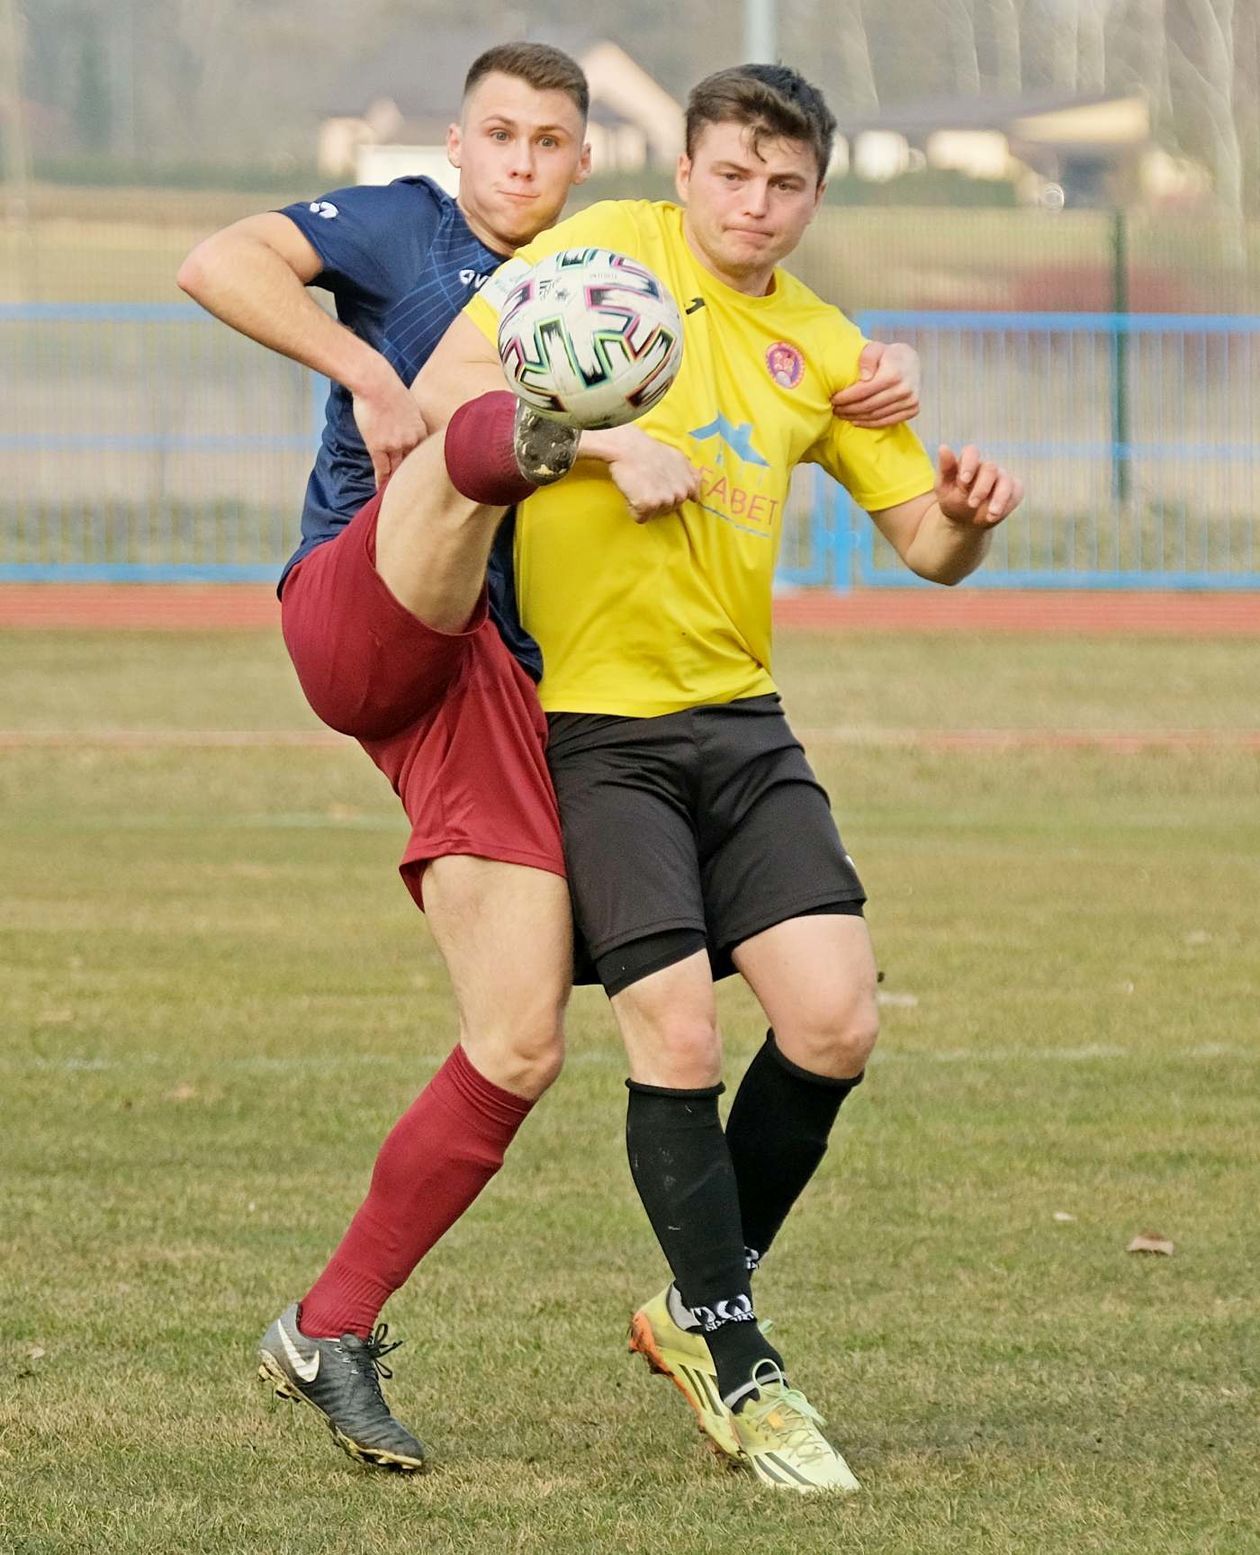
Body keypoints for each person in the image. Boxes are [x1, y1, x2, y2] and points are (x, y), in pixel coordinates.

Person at [177, 42, 923, 1475]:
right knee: (463, 441)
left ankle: (325, 1328)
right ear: (458, 144)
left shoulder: (617, 275)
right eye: (499, 137)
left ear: (590, 162)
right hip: (370, 598)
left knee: (519, 1040)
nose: (521, 164)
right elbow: (217, 265)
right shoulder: (407, 228)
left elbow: (794, 371)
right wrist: (369, 374)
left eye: (552, 141)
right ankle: (490, 440)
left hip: (485, 687)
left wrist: (884, 374)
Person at [420, 62, 1024, 1493]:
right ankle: (739, 1362)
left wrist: (964, 512)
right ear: (685, 168)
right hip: (598, 731)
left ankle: (690, 1301)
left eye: (787, 183)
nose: (756, 204)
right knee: (677, 1038)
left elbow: (925, 553)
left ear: (816, 195)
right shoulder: (601, 256)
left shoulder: (824, 343)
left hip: (743, 726)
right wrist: (605, 444)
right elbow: (455, 395)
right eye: (733, 173)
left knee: (835, 1022)